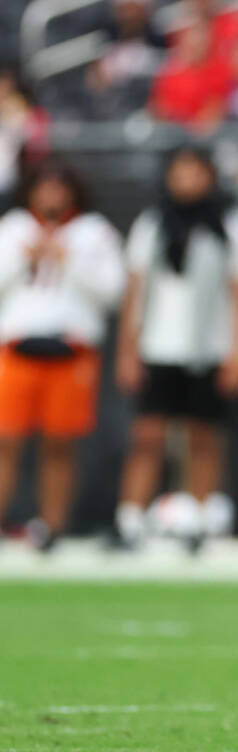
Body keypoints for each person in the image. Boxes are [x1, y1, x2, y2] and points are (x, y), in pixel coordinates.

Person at [115, 146, 238, 548]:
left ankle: (199, 519)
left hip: (210, 347)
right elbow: (135, 290)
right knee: (147, 435)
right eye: (179, 172)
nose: (187, 181)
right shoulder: (152, 223)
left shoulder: (230, 224)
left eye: (195, 172)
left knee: (204, 436)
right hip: (158, 346)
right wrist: (127, 351)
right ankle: (130, 519)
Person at [0, 163, 125, 551]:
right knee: (6, 441)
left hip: (71, 350)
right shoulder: (14, 227)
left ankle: (52, 526)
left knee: (60, 444)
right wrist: (26, 258)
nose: (51, 198)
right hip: (16, 348)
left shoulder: (93, 232)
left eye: (59, 189)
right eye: (44, 188)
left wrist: (69, 259)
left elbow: (112, 291)